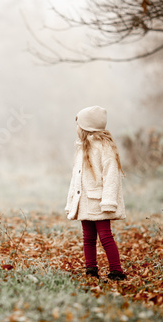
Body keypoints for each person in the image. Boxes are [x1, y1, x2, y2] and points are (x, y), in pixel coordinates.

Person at [65, 106, 127, 281]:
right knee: (88, 237)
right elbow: (75, 179)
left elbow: (111, 177)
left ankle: (116, 270)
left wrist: (108, 202)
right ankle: (90, 268)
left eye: (79, 125)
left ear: (87, 128)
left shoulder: (103, 148)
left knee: (105, 236)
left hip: (99, 201)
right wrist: (72, 202)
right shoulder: (82, 148)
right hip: (84, 201)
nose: (76, 129)